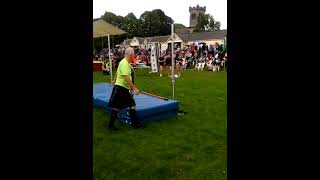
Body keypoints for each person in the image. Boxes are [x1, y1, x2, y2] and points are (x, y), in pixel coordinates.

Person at [107, 47, 144, 130]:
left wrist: (114, 79)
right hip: (121, 88)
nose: (134, 56)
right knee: (121, 107)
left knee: (130, 105)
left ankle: (135, 124)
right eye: (133, 54)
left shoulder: (124, 62)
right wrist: (134, 88)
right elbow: (126, 78)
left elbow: (118, 71)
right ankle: (111, 126)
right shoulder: (124, 63)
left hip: (122, 88)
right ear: (130, 55)